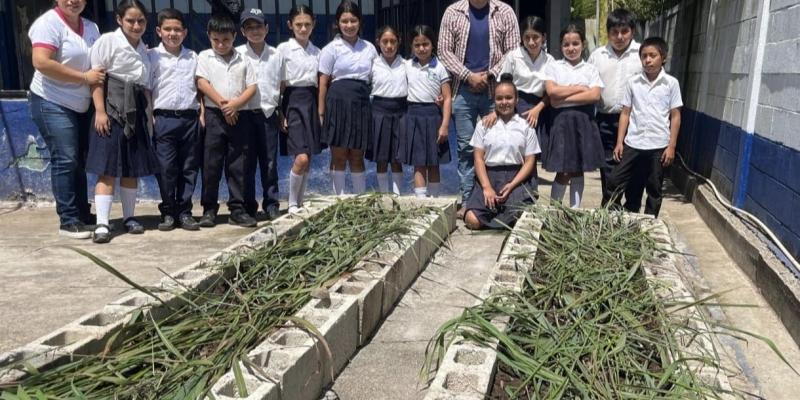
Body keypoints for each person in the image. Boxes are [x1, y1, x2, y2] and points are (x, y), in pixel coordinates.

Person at [28, 0, 103, 238]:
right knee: (66, 158)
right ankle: (68, 220)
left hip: (81, 104)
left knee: (78, 160)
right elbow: (41, 62)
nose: (74, 1)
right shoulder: (48, 23)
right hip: (51, 100)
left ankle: (82, 213)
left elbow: (97, 67)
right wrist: (83, 77)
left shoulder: (91, 27)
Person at [86, 0, 159, 243]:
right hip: (112, 108)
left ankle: (129, 218)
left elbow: (145, 87)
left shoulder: (143, 48)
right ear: (119, 20)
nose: (136, 25)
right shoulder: (108, 41)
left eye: (140, 21)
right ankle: (103, 224)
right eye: (130, 20)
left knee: (131, 168)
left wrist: (148, 118)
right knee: (107, 168)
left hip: (136, 111)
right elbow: (96, 78)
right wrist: (100, 111)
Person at [438, 0, 519, 214]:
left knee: (498, 143)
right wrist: (468, 75)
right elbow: (444, 51)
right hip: (462, 90)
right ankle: (468, 201)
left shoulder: (505, 12)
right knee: (465, 148)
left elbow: (512, 51)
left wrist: (490, 73)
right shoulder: (453, 12)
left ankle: (499, 197)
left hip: (495, 91)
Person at [609, 37, 682, 217]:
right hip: (633, 143)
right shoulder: (633, 82)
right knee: (615, 182)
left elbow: (675, 115)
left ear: (663, 57)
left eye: (652, 55)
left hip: (658, 145)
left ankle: (649, 224)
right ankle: (616, 219)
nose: (647, 60)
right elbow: (625, 113)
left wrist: (671, 146)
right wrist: (620, 142)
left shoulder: (671, 83)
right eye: (644, 56)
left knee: (654, 188)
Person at [196, 15, 258, 228]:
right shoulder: (205, 57)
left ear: (234, 37)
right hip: (215, 116)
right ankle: (209, 209)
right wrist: (225, 105)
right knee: (211, 164)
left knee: (237, 164)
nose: (221, 45)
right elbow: (202, 83)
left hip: (239, 116)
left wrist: (235, 106)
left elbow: (251, 87)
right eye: (216, 40)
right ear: (209, 37)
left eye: (226, 40)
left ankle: (237, 209)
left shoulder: (244, 59)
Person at [148, 8, 201, 231]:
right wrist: (150, 115)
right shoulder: (152, 56)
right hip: (164, 119)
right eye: (168, 29)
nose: (172, 33)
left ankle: (185, 211)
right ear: (159, 31)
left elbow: (199, 88)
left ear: (185, 32)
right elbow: (146, 89)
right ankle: (168, 212)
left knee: (189, 167)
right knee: (166, 168)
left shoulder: (193, 57)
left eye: (177, 29)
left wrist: (202, 114)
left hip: (190, 119)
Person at [465, 74, 540, 230]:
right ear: (494, 100)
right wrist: (486, 187)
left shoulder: (525, 126)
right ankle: (498, 218)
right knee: (472, 220)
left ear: (516, 100)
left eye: (508, 98)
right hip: (489, 176)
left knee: (523, 218)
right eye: (499, 98)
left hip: (517, 178)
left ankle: (506, 218)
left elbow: (530, 161)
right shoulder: (483, 125)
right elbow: (478, 158)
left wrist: (512, 185)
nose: (504, 102)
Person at [318, 1, 378, 195]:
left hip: (361, 104)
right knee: (339, 154)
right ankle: (339, 199)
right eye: (344, 21)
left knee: (357, 155)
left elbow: (378, 78)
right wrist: (321, 112)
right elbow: (323, 82)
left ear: (360, 22)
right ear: (338, 23)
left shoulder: (369, 48)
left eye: (353, 20)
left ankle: (360, 200)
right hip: (337, 103)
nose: (349, 25)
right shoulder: (331, 49)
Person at [542, 24, 604, 209]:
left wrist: (564, 97)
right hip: (561, 124)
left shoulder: (590, 69)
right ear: (561, 46)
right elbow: (552, 93)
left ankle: (574, 212)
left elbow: (594, 96)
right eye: (566, 44)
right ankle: (554, 210)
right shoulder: (553, 67)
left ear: (583, 44)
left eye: (575, 43)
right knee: (564, 170)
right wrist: (579, 88)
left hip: (583, 123)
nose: (571, 48)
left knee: (578, 169)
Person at [589, 8, 643, 206]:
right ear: (608, 32)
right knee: (609, 168)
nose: (619, 37)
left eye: (624, 31)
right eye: (614, 32)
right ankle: (611, 209)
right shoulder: (597, 56)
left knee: (634, 169)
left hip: (636, 122)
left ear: (632, 31)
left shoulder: (642, 55)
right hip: (606, 120)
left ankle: (632, 210)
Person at [483, 16, 553, 159]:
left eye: (536, 37)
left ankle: (531, 182)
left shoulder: (549, 60)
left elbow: (551, 93)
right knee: (515, 150)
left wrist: (537, 109)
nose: (531, 42)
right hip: (515, 107)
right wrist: (497, 111)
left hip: (540, 108)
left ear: (544, 37)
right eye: (527, 37)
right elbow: (503, 86)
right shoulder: (513, 57)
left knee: (532, 153)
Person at [237, 8, 283, 220]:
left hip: (268, 114)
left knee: (269, 163)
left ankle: (271, 203)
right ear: (243, 31)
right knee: (246, 163)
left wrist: (280, 112)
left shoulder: (276, 55)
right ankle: (248, 205)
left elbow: (281, 85)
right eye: (249, 27)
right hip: (244, 115)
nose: (255, 31)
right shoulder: (237, 54)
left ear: (266, 29)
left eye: (259, 26)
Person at [396, 25, 452, 198]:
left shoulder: (440, 67)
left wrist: (444, 125)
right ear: (411, 46)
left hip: (434, 116)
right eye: (417, 45)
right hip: (414, 116)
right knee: (418, 162)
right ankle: (421, 201)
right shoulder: (406, 65)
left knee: (434, 162)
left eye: (425, 44)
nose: (421, 48)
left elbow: (448, 97)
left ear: (432, 44)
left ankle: (434, 200)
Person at [278, 5, 321, 214]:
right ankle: (292, 202)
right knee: (300, 157)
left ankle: (301, 201)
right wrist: (281, 112)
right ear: (290, 25)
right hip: (292, 102)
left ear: (313, 25)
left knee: (309, 157)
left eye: (307, 24)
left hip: (311, 102)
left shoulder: (317, 52)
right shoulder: (283, 50)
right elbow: (279, 85)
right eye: (298, 25)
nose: (303, 29)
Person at [369, 25, 407, 195]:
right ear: (378, 43)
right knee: (382, 157)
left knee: (397, 157)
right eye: (385, 41)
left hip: (401, 112)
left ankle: (398, 196)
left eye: (393, 41)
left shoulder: (406, 65)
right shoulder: (373, 65)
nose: (389, 46)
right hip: (379, 113)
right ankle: (384, 196)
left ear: (399, 42)